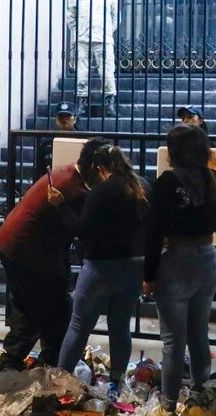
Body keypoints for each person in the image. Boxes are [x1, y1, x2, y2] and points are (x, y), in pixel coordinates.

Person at [0, 137, 112, 370]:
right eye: (108, 172)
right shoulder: (75, 189)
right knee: (56, 313)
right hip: (30, 252)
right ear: (96, 168)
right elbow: (85, 230)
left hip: (11, 243)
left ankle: (12, 363)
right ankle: (52, 367)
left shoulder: (66, 173)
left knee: (28, 308)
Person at [143, 125, 216, 412]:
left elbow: (153, 232)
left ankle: (168, 405)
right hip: (206, 257)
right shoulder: (213, 179)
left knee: (173, 340)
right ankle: (201, 398)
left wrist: (149, 274)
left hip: (176, 258)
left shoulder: (166, 182)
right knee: (199, 334)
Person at [53, 144, 149, 387]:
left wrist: (61, 205)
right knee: (120, 326)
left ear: (98, 168)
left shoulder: (101, 191)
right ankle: (116, 383)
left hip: (100, 268)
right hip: (135, 267)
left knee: (79, 326)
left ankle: (61, 381)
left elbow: (82, 228)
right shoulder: (143, 187)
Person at [67, 0, 119, 116]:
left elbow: (115, 18)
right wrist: (78, 32)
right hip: (83, 40)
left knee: (107, 72)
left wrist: (106, 31)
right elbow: (71, 17)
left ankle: (110, 102)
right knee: (82, 72)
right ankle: (81, 102)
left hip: (103, 39)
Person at [35, 101, 80, 180]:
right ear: (56, 120)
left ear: (75, 119)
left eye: (68, 116)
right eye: (61, 116)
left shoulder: (82, 140)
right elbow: (41, 169)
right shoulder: (47, 143)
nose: (64, 120)